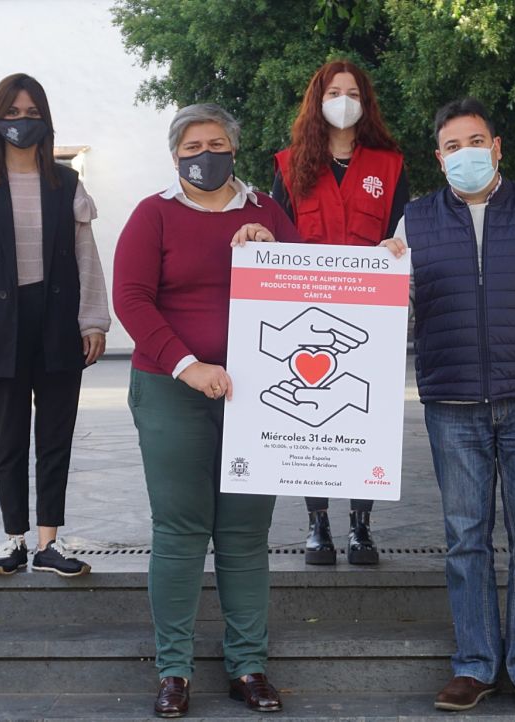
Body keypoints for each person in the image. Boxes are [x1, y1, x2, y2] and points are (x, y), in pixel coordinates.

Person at [381, 97, 515, 715]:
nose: (465, 154)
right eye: (453, 146)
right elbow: (392, 313)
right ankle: (474, 665)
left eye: (476, 142)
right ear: (438, 157)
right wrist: (382, 274)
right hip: (451, 401)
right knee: (464, 537)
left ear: (497, 147)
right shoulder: (414, 222)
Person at [114, 103, 300, 718]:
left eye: (215, 143)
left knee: (246, 535)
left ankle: (248, 665)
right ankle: (174, 670)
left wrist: (271, 249)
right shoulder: (153, 215)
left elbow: (305, 288)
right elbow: (132, 300)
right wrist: (186, 366)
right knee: (180, 531)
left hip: (258, 394)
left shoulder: (265, 212)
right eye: (191, 146)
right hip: (171, 389)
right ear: (175, 155)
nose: (204, 154)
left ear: (234, 150)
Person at [0, 73, 109, 578]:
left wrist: (94, 319)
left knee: (57, 435)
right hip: (2, 324)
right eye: (12, 114)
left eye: (30, 113)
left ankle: (49, 543)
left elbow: (86, 256)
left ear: (46, 120)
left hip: (57, 320)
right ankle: (12, 539)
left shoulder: (66, 184)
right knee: (9, 436)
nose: (21, 122)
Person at [271, 59, 410, 566]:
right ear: (318, 99)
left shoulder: (389, 164)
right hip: (305, 315)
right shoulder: (290, 164)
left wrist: (399, 245)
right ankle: (317, 525)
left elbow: (403, 229)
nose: (344, 100)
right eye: (335, 91)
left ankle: (361, 527)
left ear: (366, 101)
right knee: (312, 414)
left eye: (353, 91)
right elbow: (278, 233)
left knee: (362, 413)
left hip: (371, 314)